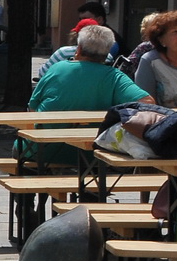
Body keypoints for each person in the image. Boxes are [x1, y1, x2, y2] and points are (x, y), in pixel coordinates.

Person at [20, 25, 153, 166]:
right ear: (108, 52)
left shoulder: (58, 69)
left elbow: (32, 108)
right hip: (94, 155)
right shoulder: (114, 77)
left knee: (23, 153)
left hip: (40, 151)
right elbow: (148, 103)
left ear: (79, 49)